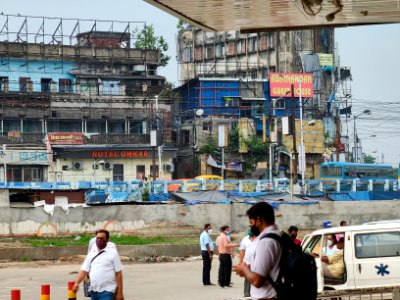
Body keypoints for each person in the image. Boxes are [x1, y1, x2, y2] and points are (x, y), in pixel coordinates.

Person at [233, 202, 282, 299]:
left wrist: (244, 269)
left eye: (251, 223)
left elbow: (257, 281)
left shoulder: (265, 242)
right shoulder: (279, 235)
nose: (251, 227)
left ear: (259, 220)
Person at [72, 229, 124, 300]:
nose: (99, 240)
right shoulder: (92, 253)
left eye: (102, 238)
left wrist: (120, 292)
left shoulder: (113, 253)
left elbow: (118, 273)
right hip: (94, 291)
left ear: (107, 240)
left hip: (108, 290)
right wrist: (77, 283)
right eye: (98, 238)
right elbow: (84, 270)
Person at [239, 225, 258, 298]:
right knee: (247, 280)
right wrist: (240, 262)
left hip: (257, 263)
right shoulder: (245, 239)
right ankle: (247, 295)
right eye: (249, 229)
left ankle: (255, 295)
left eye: (251, 230)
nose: (249, 231)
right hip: (247, 263)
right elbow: (242, 251)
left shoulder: (259, 239)